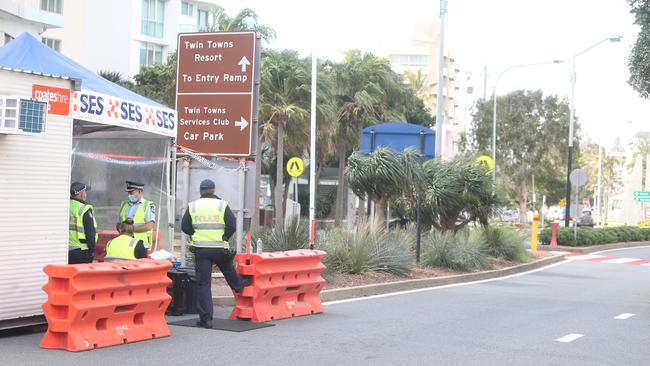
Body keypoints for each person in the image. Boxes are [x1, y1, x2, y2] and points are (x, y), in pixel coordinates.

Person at [182, 179, 249, 328]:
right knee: (227, 267)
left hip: (201, 249)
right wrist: (224, 237)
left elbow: (185, 226)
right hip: (219, 247)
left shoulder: (193, 206)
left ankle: (206, 318)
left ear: (200, 191)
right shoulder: (222, 204)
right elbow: (232, 224)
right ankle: (239, 285)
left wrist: (195, 234)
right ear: (213, 190)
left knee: (203, 284)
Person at [117, 180, 156, 250]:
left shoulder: (147, 205)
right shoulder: (124, 204)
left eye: (131, 192)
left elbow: (149, 226)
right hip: (124, 244)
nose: (129, 195)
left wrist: (130, 229)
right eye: (128, 192)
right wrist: (120, 228)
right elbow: (118, 224)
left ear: (139, 191)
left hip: (140, 245)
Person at [69, 182, 97, 264]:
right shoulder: (83, 209)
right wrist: (92, 250)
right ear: (80, 193)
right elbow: (90, 232)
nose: (85, 194)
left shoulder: (66, 205)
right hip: (81, 250)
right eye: (84, 191)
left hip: (66, 250)